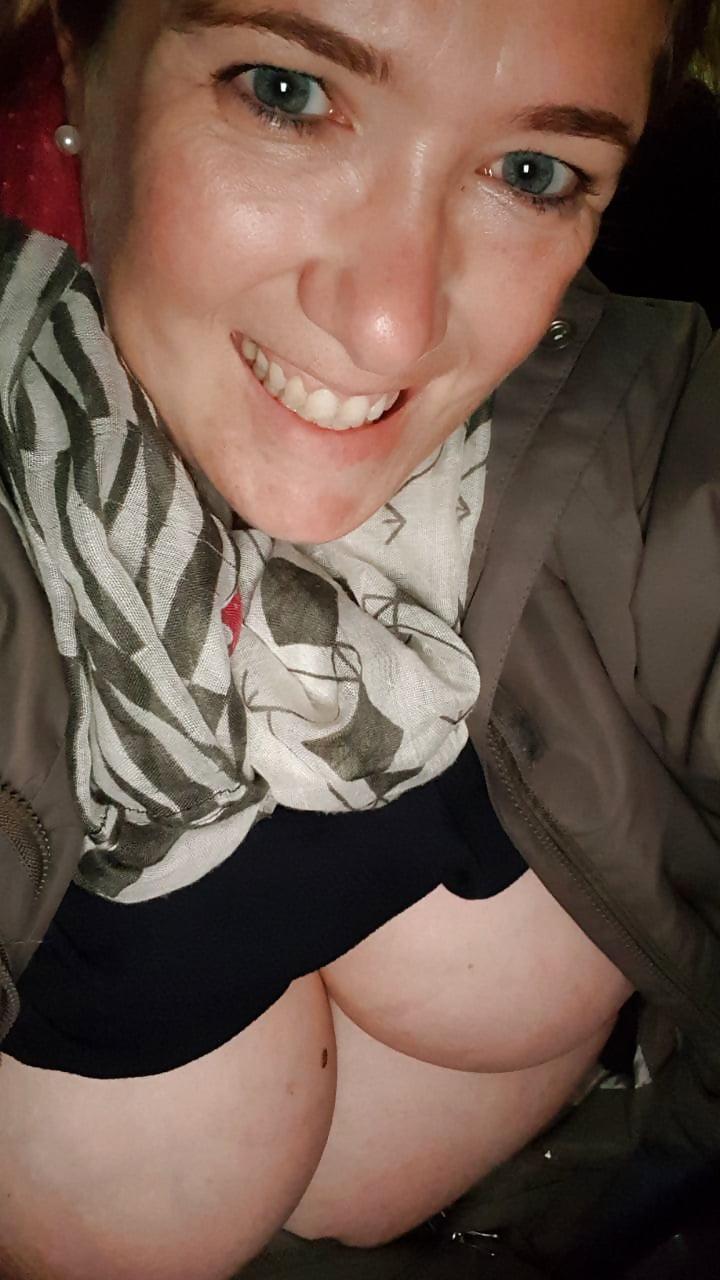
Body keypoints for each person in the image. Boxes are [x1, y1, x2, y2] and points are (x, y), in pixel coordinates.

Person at [0, 2, 717, 1278]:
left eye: (532, 172)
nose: (393, 324)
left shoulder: (634, 417)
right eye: (284, 93)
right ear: (78, 52)